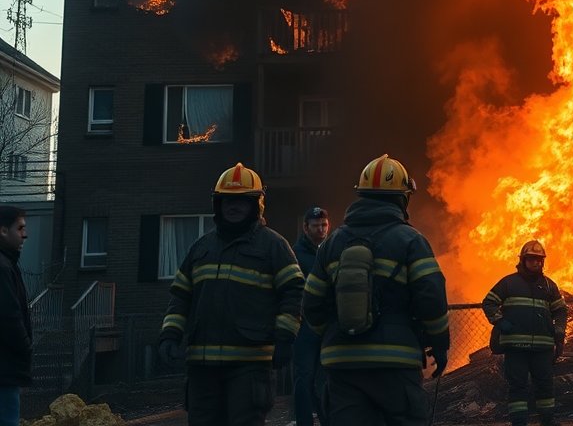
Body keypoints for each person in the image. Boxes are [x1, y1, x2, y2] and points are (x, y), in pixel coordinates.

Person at [302, 155, 450, 426]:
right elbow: (432, 297)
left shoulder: (332, 243)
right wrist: (439, 345)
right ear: (402, 198)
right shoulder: (411, 240)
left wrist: (337, 332)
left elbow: (311, 304)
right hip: (396, 366)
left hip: (342, 367)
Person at [158, 164, 305, 426]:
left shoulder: (273, 246)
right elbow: (180, 296)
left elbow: (293, 292)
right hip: (202, 367)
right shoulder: (200, 248)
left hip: (249, 366)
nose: (233, 206)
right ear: (218, 204)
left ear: (256, 205)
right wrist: (170, 335)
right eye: (227, 200)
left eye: (241, 201)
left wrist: (285, 337)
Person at [481, 240, 568, 426]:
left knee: (545, 385)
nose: (536, 263)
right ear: (523, 260)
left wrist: (559, 333)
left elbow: (560, 311)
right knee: (518, 386)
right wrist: (500, 321)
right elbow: (488, 302)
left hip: (542, 348)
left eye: (539, 259)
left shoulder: (549, 286)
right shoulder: (509, 283)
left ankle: (548, 421)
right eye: (532, 259)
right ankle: (519, 422)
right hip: (515, 347)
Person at [292, 206, 330, 426]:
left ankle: (327, 419)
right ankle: (304, 422)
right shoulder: (296, 255)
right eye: (316, 226)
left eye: (324, 225)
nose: (321, 230)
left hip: (325, 326)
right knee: (304, 377)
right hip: (304, 327)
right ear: (305, 228)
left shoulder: (330, 251)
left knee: (324, 378)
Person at [0, 206, 31, 426]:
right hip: (5, 370)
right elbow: (10, 316)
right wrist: (26, 347)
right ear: (3, 230)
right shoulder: (3, 267)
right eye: (20, 228)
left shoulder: (7, 264)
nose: (25, 234)